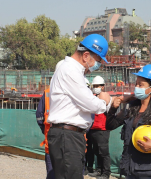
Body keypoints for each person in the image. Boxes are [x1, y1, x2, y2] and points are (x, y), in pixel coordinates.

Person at [47, 34, 112, 179]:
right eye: (98, 61)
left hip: (68, 135)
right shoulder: (70, 70)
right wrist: (105, 101)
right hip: (67, 136)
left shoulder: (72, 70)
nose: (98, 65)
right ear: (86, 55)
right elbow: (91, 104)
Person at [106, 64, 151, 179]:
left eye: (141, 85)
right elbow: (110, 125)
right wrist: (113, 108)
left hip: (148, 168)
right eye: (136, 84)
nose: (137, 87)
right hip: (128, 167)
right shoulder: (130, 107)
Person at [36, 60, 64, 179]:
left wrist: (46, 130)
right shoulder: (48, 93)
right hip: (71, 143)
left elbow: (39, 117)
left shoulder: (48, 93)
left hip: (52, 141)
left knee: (52, 173)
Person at [86, 76, 112, 179]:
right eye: (94, 86)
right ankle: (99, 170)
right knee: (96, 151)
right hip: (93, 129)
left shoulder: (106, 97)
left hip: (102, 129)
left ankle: (106, 173)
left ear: (102, 86)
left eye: (98, 86)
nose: (96, 87)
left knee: (103, 152)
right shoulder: (93, 96)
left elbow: (109, 110)